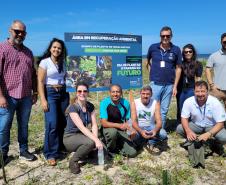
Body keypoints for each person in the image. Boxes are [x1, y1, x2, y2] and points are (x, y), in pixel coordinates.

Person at [0, 20, 37, 164]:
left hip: (25, 96)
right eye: (17, 31)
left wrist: (35, 93)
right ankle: (3, 154)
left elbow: (33, 74)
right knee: (4, 127)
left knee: (23, 125)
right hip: (7, 97)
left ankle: (23, 151)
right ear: (10, 30)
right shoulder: (2, 48)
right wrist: (1, 96)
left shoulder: (28, 52)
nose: (20, 34)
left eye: (23, 32)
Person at [38, 38, 69, 166]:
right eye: (54, 47)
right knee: (52, 123)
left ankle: (59, 148)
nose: (57, 49)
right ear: (50, 48)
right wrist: (43, 99)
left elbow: (68, 79)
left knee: (63, 122)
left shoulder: (64, 63)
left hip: (63, 94)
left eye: (59, 48)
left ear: (62, 51)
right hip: (50, 94)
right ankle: (50, 153)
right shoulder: (44, 62)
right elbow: (40, 82)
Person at [177, 81, 226, 156]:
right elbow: (184, 118)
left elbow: (221, 123)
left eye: (202, 91)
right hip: (196, 125)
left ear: (207, 91)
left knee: (223, 137)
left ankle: (214, 144)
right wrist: (188, 131)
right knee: (180, 128)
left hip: (211, 126)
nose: (200, 94)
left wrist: (208, 134)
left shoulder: (215, 102)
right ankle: (195, 141)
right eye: (197, 91)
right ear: (194, 91)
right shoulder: (188, 101)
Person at [63, 81, 103, 174]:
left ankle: (86, 153)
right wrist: (96, 141)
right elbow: (82, 128)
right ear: (76, 93)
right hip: (70, 137)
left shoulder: (90, 106)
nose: (82, 93)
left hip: (81, 135)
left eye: (84, 91)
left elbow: (94, 125)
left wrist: (97, 140)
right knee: (91, 142)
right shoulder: (72, 107)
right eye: (79, 91)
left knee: (101, 148)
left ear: (88, 92)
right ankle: (73, 160)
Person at [146, 26, 182, 129]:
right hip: (155, 84)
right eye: (163, 36)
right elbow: (147, 62)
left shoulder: (176, 49)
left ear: (171, 36)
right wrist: (151, 74)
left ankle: (160, 131)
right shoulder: (153, 47)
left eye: (167, 36)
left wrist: (175, 86)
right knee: (152, 108)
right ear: (160, 36)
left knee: (164, 110)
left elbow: (178, 68)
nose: (165, 38)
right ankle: (150, 130)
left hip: (169, 85)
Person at [100, 84, 137, 157]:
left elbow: (128, 120)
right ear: (109, 93)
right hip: (108, 129)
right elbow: (104, 123)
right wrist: (119, 125)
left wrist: (130, 131)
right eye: (113, 92)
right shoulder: (104, 103)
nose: (115, 94)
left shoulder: (126, 103)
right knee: (112, 132)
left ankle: (117, 147)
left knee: (133, 153)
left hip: (120, 130)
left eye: (118, 92)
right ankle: (110, 150)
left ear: (121, 93)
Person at [131, 85, 167, 151]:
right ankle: (142, 141)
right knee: (132, 135)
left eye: (148, 94)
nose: (145, 96)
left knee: (163, 134)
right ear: (140, 94)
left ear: (151, 94)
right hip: (139, 127)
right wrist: (141, 131)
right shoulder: (135, 103)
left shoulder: (155, 103)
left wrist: (155, 130)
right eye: (143, 94)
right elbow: (133, 122)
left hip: (150, 127)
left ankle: (151, 142)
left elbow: (159, 122)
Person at [176, 44, 203, 123]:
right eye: (185, 52)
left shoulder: (198, 64)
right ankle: (180, 123)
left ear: (193, 52)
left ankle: (191, 123)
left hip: (191, 89)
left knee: (191, 107)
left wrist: (198, 91)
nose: (188, 53)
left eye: (190, 51)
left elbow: (198, 78)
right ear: (183, 54)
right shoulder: (180, 64)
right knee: (180, 107)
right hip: (180, 89)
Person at [206, 33, 226, 109]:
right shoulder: (214, 56)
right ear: (221, 42)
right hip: (217, 89)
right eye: (224, 42)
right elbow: (207, 69)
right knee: (213, 111)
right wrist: (211, 85)